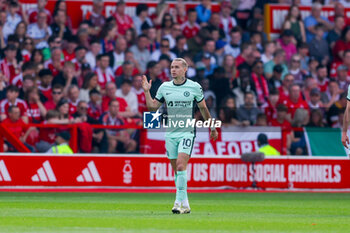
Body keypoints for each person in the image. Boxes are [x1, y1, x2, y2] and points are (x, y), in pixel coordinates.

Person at [142, 58, 218, 214]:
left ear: (185, 69)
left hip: (187, 132)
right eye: (171, 67)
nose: (173, 70)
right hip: (170, 133)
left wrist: (212, 127)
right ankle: (186, 204)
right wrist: (146, 91)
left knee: (181, 166)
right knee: (177, 172)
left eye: (176, 67)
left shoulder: (194, 87)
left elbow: (203, 109)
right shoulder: (165, 87)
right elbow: (152, 108)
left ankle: (177, 203)